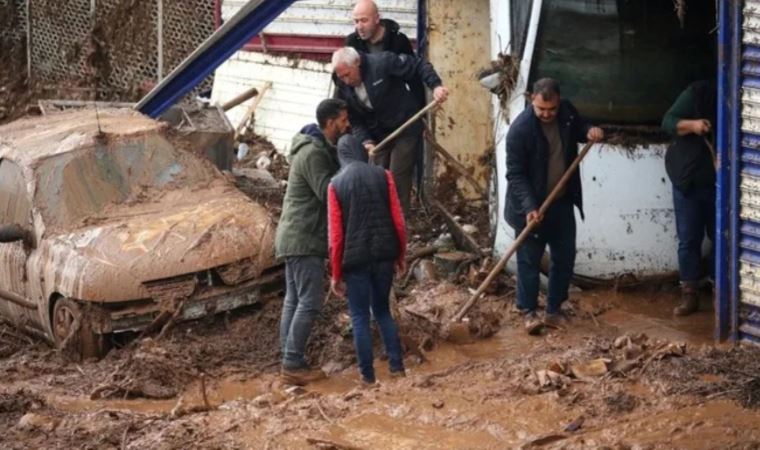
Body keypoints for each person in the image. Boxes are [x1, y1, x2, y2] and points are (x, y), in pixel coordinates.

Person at [505, 78, 604, 335]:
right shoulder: (520, 131)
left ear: (558, 102)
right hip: (531, 207)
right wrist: (530, 207)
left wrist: (590, 130)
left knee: (564, 256)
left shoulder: (567, 112)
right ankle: (528, 312)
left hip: (560, 201)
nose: (547, 114)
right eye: (541, 109)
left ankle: (554, 310)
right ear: (532, 101)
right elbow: (515, 174)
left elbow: (580, 127)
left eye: (552, 109)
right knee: (529, 260)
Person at [275, 98, 350, 385]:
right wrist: (352, 169)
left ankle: (289, 357)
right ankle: (293, 363)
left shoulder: (313, 149)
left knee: (294, 300)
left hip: (293, 235)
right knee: (310, 300)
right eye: (343, 120)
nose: (347, 125)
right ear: (330, 123)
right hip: (303, 237)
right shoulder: (314, 155)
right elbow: (328, 193)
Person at [331, 46, 449, 216]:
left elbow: (418, 65)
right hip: (378, 133)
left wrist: (436, 86)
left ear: (357, 63)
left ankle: (400, 223)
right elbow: (355, 120)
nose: (345, 81)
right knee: (376, 176)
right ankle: (380, 220)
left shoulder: (382, 63)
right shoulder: (342, 83)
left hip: (405, 125)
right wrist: (366, 141)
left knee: (396, 176)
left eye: (347, 75)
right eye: (341, 77)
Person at [327, 134, 407, 386]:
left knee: (360, 317)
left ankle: (368, 378)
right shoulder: (383, 175)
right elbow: (398, 221)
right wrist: (400, 255)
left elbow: (336, 237)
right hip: (384, 255)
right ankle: (397, 369)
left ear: (341, 155)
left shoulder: (335, 184)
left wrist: (336, 274)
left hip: (355, 262)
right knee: (382, 311)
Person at [345, 0, 428, 197]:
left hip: (399, 116)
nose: (359, 26)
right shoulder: (352, 43)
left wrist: (420, 114)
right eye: (356, 21)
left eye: (363, 20)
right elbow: (345, 83)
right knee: (377, 173)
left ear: (377, 19)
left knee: (399, 174)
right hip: (371, 121)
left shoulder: (397, 41)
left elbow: (413, 78)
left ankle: (400, 219)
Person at [661, 80, 717, 316]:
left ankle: (720, 292)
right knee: (688, 239)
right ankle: (689, 294)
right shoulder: (698, 93)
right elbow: (668, 122)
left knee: (722, 238)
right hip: (688, 182)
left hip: (720, 185)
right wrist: (693, 125)